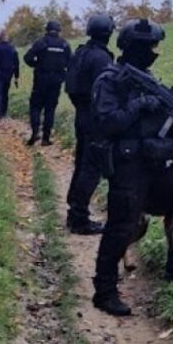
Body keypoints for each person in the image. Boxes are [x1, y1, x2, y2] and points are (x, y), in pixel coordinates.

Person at [91, 18, 173, 316]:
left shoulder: (149, 81)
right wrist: (138, 105)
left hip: (158, 169)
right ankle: (105, 291)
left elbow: (163, 130)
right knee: (122, 227)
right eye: (149, 46)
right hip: (127, 169)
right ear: (133, 47)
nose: (154, 51)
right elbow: (106, 124)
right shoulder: (110, 80)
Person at [64, 14, 115, 234]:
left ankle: (74, 211)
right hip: (94, 118)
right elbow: (105, 90)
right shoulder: (101, 58)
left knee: (82, 164)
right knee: (91, 168)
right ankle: (79, 218)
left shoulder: (81, 52)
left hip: (82, 115)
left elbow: (71, 87)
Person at [23, 20, 71, 145]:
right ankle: (46, 138)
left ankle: (34, 132)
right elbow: (70, 62)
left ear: (47, 29)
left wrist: (36, 64)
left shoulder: (41, 42)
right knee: (50, 109)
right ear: (59, 30)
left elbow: (27, 58)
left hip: (41, 79)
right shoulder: (64, 45)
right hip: (56, 81)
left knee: (36, 106)